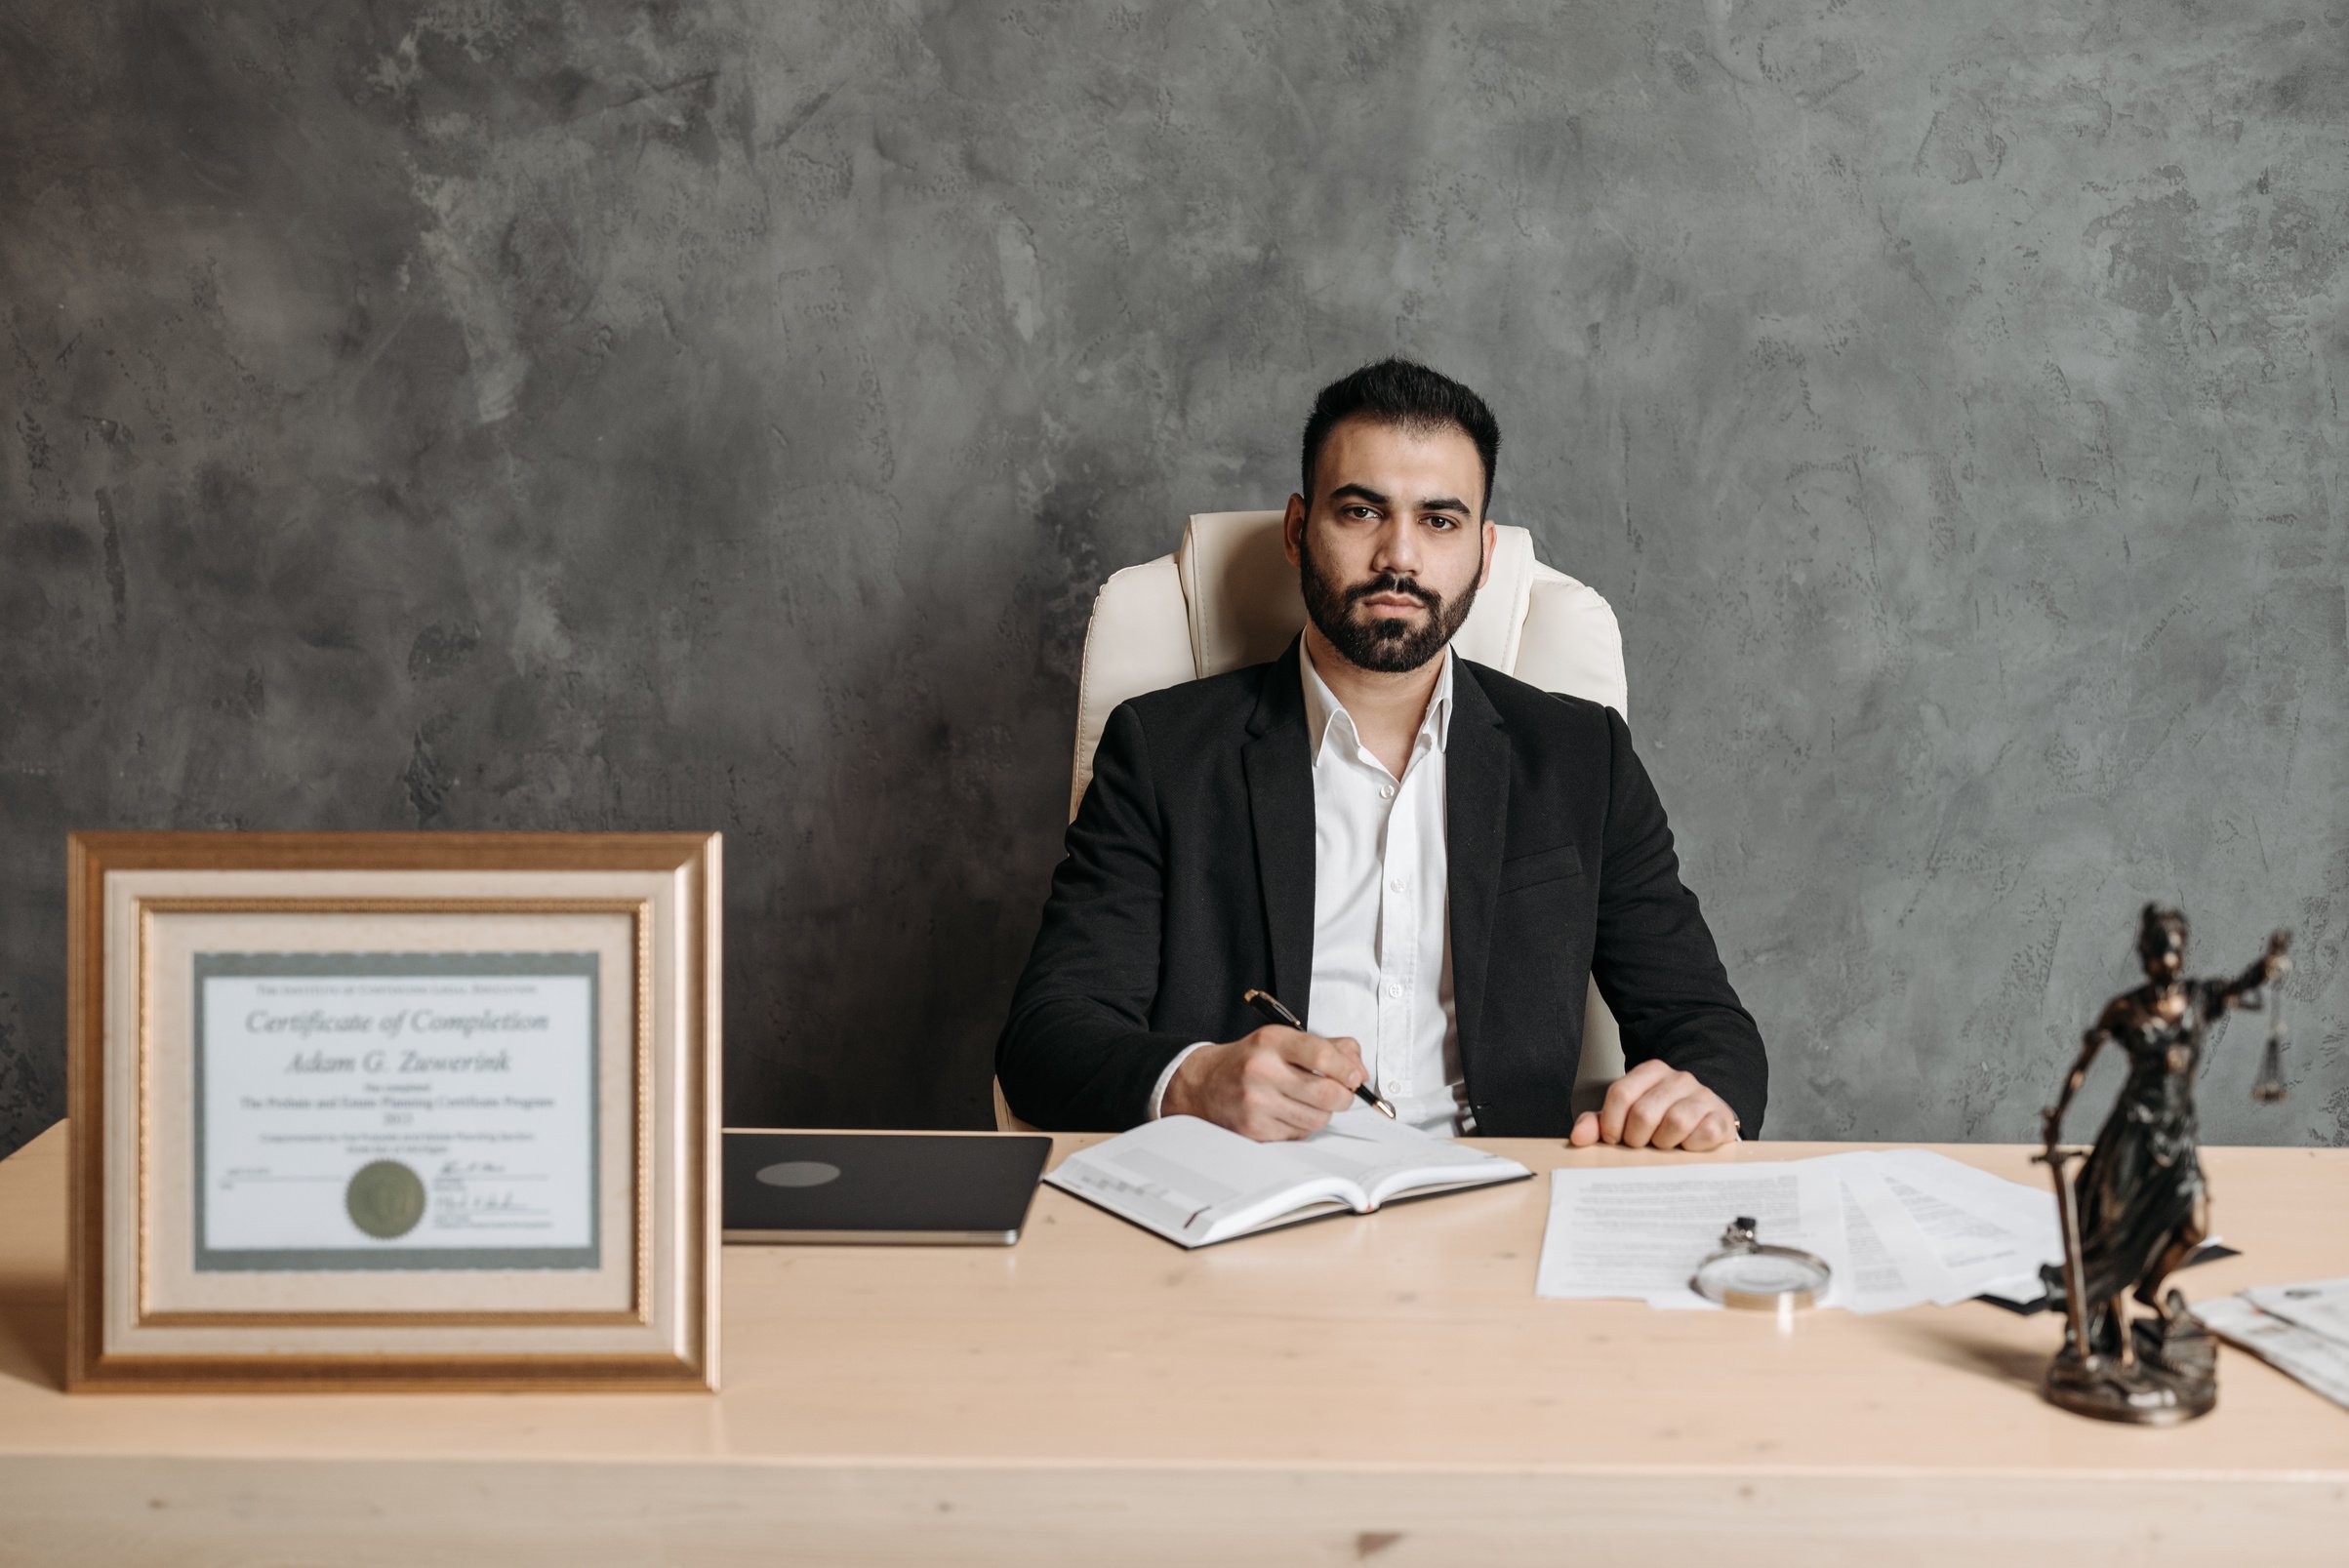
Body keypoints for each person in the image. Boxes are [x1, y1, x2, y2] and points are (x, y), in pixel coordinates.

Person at [996, 358, 1766, 1148]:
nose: (1399, 557)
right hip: (1247, 1204)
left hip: (1507, 1205)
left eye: (1439, 521)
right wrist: (1193, 1080)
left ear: (1483, 551)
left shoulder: (1581, 756)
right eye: (1362, 511)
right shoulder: (1162, 753)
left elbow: (1704, 1025)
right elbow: (1046, 1037)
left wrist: (1696, 1098)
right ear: (1299, 530)